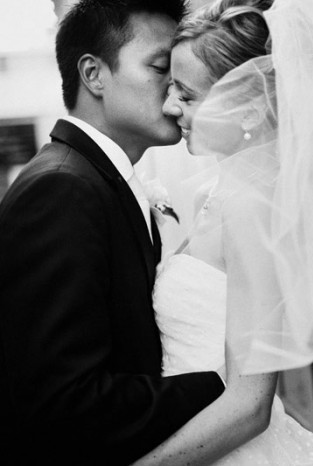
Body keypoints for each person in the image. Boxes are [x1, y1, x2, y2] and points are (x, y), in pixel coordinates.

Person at [133, 0, 313, 464]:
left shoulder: (249, 210)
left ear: (247, 109)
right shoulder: (219, 194)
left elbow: (249, 406)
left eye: (187, 95)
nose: (169, 106)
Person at [0, 1, 226, 464]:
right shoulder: (60, 190)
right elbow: (66, 404)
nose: (177, 89)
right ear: (93, 74)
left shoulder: (97, 181)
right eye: (161, 67)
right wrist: (223, 386)